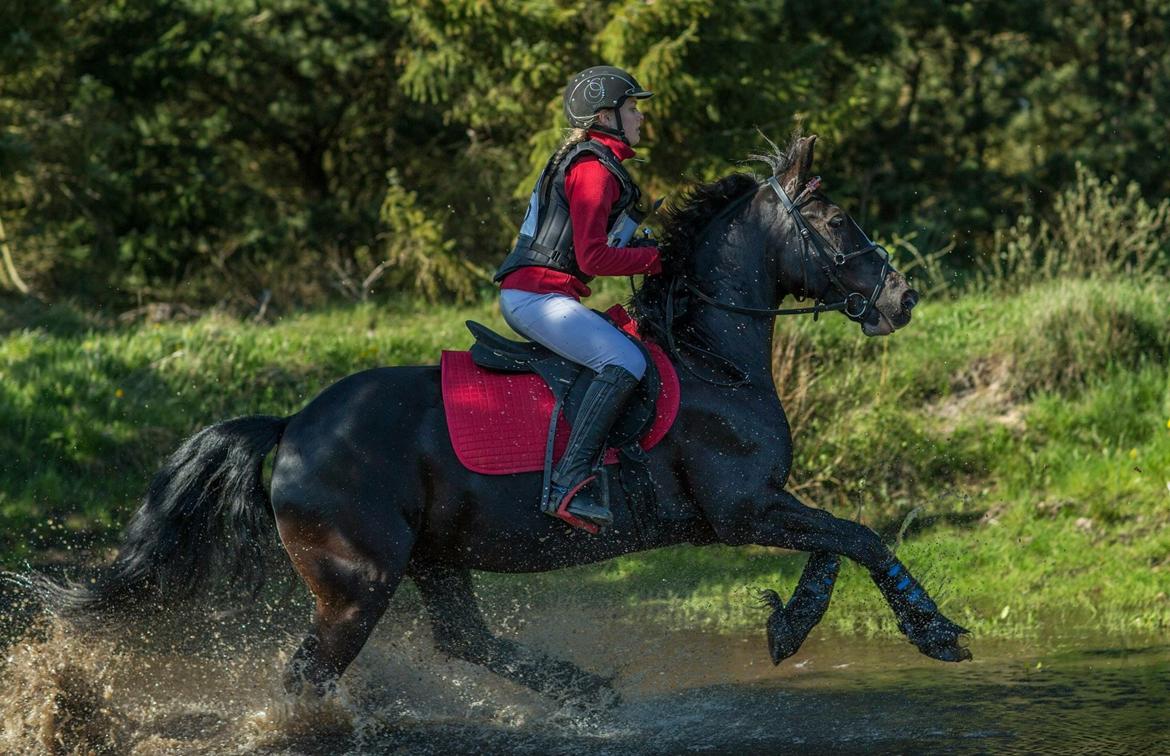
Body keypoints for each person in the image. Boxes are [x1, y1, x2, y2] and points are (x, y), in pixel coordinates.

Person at [495, 65, 661, 530]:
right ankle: (569, 481)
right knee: (627, 362)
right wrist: (656, 260)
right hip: (536, 298)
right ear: (606, 116)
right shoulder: (593, 170)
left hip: (543, 293)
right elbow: (593, 258)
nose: (640, 118)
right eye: (632, 108)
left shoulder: (593, 161)